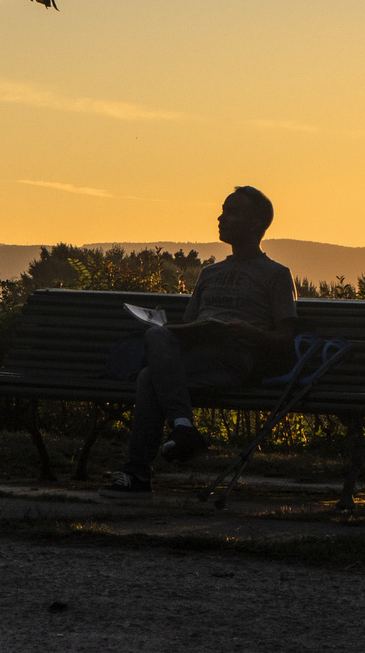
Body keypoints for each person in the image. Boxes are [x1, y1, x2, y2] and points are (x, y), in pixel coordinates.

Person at [100, 186, 297, 499]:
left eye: (232, 212)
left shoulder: (275, 275)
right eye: (223, 210)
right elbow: (187, 326)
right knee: (154, 348)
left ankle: (139, 472)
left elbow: (286, 339)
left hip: (235, 363)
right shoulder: (210, 273)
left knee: (149, 376)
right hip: (196, 357)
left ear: (257, 223)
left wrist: (246, 330)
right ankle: (181, 430)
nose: (221, 217)